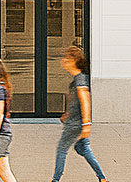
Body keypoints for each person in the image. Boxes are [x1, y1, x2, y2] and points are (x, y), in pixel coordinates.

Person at [51, 46, 108, 182]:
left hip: (75, 123)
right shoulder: (78, 78)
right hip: (77, 121)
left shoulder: (80, 80)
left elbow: (85, 101)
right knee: (83, 148)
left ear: (74, 61)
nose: (63, 61)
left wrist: (87, 124)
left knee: (62, 149)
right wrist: (68, 114)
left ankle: (55, 180)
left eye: (67, 58)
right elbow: (77, 102)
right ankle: (102, 178)